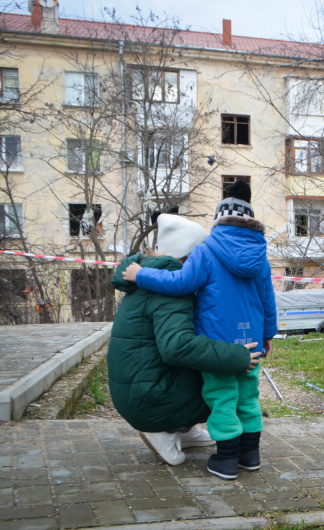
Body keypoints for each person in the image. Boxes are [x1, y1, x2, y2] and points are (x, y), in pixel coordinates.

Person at [123, 180, 276, 481]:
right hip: (252, 342)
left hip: (218, 345)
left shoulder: (206, 252)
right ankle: (251, 456)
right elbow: (268, 299)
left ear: (219, 220)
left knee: (222, 398)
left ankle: (227, 459)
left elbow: (180, 283)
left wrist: (141, 275)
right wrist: (268, 334)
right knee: (248, 397)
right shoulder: (261, 258)